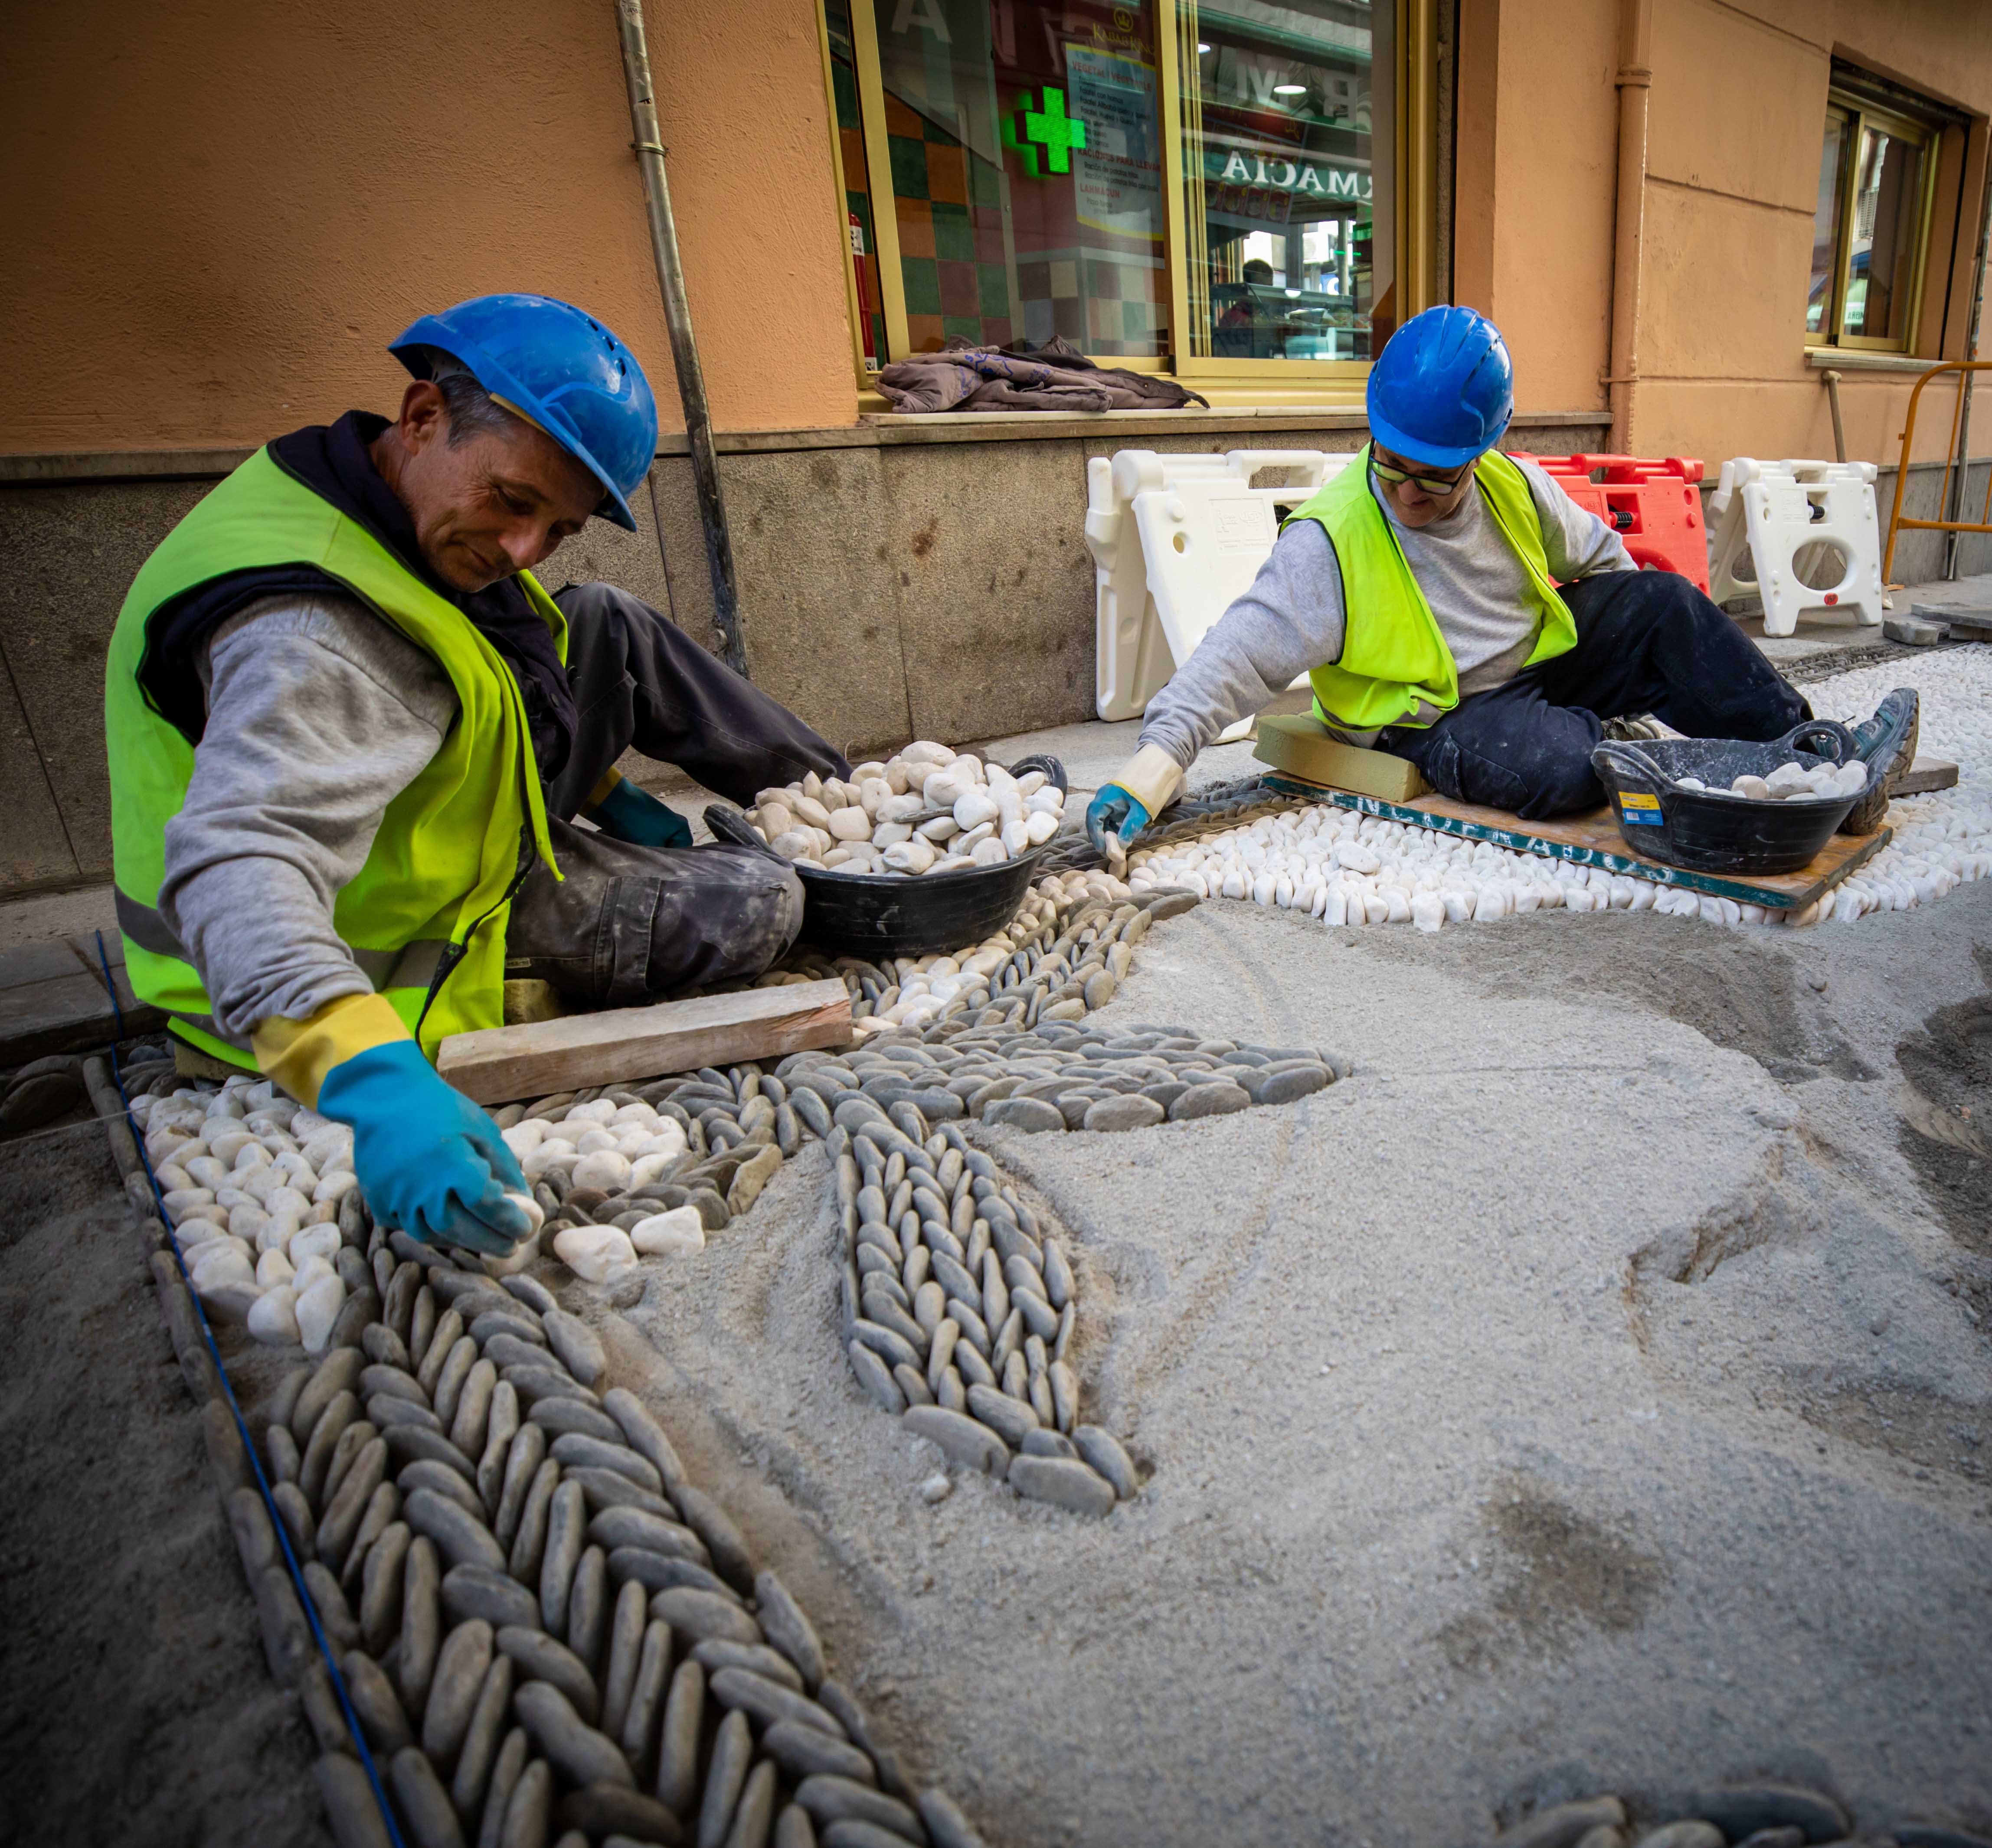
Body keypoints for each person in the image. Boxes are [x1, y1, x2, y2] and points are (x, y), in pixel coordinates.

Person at [107, 294, 846, 1254]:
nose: (522, 551)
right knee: (759, 899)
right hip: (387, 942)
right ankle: (518, 981)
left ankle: (844, 807)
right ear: (422, 418)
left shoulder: (353, 487)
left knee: (603, 622)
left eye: (557, 529)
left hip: (420, 820)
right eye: (511, 502)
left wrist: (602, 793)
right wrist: (375, 1087)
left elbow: (497, 670)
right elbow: (241, 863)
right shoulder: (316, 640)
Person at [1088, 304, 1918, 855]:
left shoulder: (1513, 487)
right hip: (1436, 716)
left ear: (1479, 455)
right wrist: (1152, 769)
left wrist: (1649, 661)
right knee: (1560, 771)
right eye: (1391, 464)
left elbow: (1607, 569)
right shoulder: (1329, 541)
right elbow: (1233, 658)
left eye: (1436, 477)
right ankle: (1653, 766)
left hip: (1538, 670)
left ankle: (1816, 763)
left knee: (1664, 603)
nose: (1409, 490)